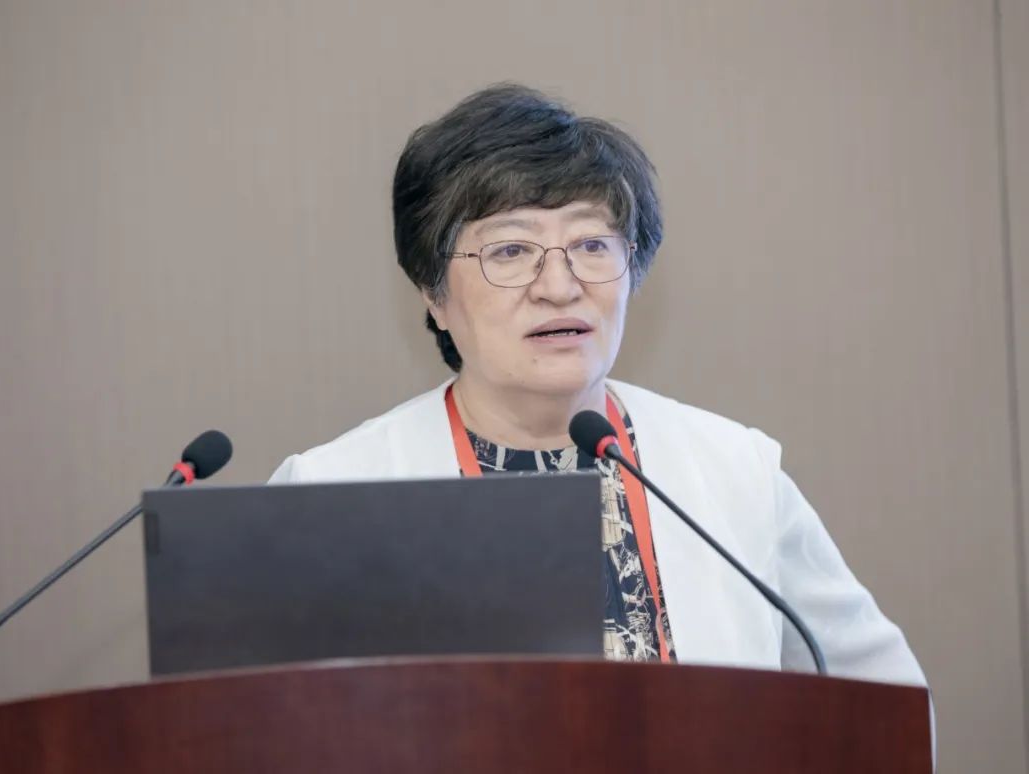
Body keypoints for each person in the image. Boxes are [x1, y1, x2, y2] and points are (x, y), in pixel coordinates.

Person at [269, 84, 927, 683]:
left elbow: (886, 702)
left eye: (591, 245)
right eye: (510, 250)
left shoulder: (735, 471)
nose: (559, 286)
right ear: (433, 293)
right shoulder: (330, 494)